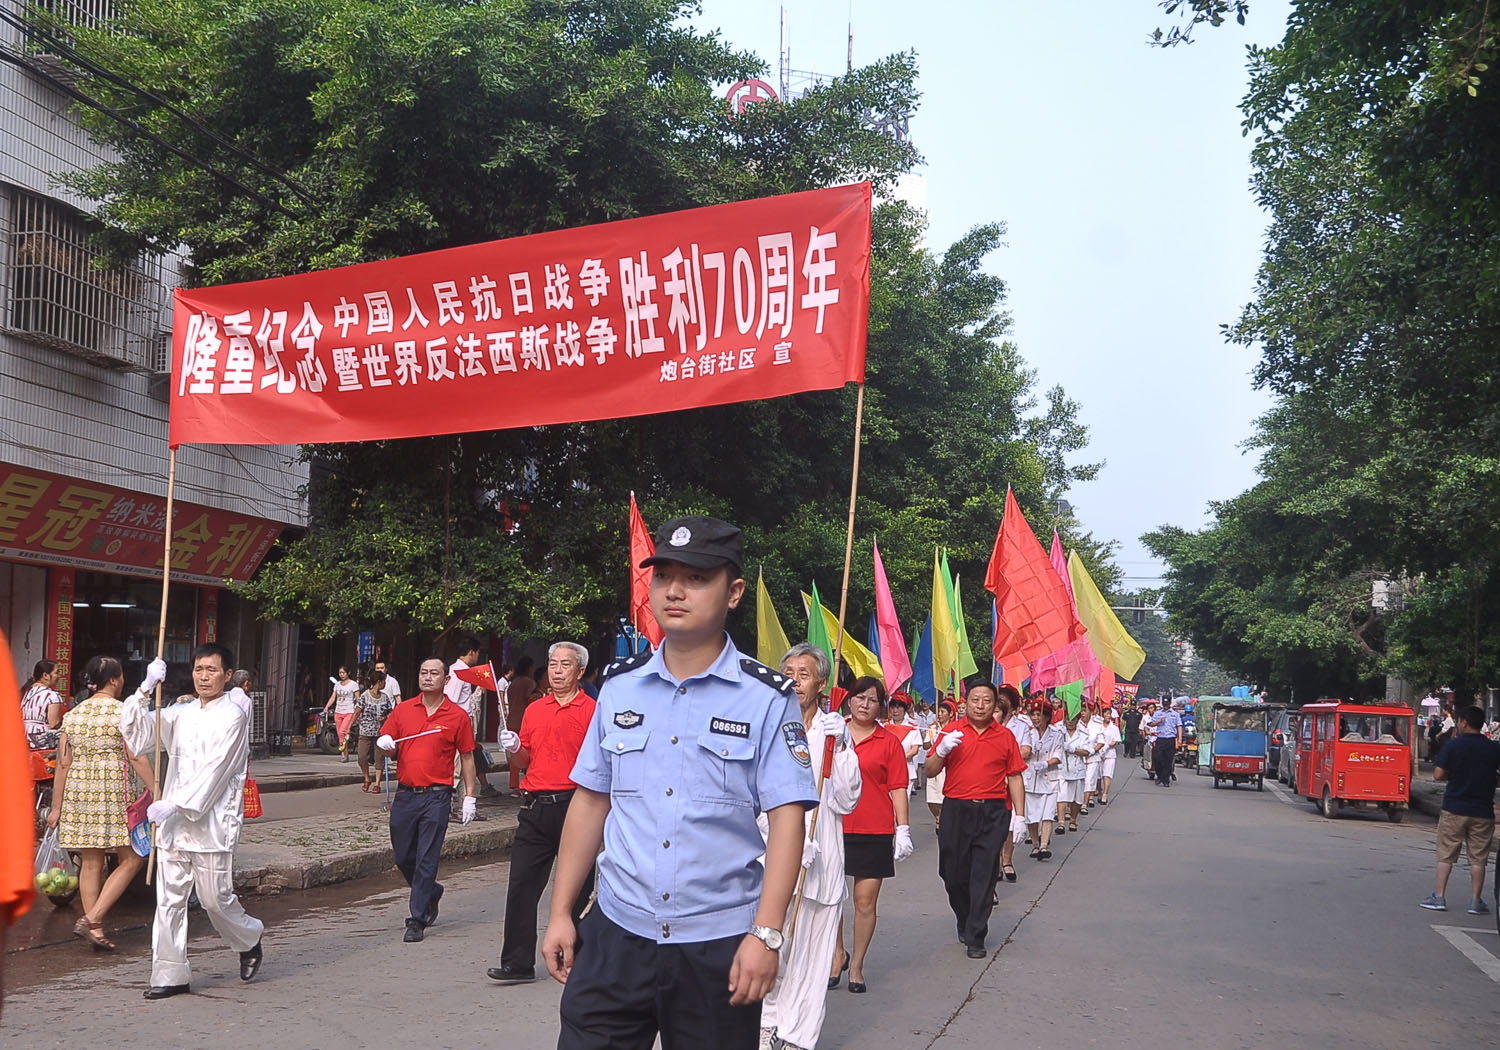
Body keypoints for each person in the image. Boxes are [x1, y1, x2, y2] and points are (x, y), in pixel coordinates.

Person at [541, 515, 816, 1050]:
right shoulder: (619, 689)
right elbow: (591, 802)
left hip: (718, 944)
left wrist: (766, 934)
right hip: (617, 932)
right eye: (664, 575)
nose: (674, 590)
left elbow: (788, 818)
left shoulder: (766, 698)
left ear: (733, 592)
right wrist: (560, 913)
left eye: (695, 578)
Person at [119, 644, 264, 999]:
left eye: (211, 670)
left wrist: (176, 804)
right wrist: (143, 689)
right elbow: (141, 734)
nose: (203, 676)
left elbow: (219, 770)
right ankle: (170, 974)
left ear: (227, 675)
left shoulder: (233, 715)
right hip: (173, 824)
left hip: (211, 820)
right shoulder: (181, 712)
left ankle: (249, 937)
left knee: (215, 899)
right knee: (169, 900)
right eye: (199, 669)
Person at [761, 642, 860, 1050]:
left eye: (803, 673)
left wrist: (839, 753)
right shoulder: (767, 725)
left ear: (822, 682)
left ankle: (798, 1035)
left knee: (811, 957)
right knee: (769, 945)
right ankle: (766, 1025)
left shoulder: (834, 732)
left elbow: (848, 798)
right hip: (768, 854)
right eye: (788, 671)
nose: (794, 680)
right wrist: (774, 839)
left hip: (821, 855)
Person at [487, 641, 597, 985]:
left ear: (579, 671)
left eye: (565, 665)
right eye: (552, 664)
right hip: (535, 807)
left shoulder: (592, 710)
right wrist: (515, 748)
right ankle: (517, 961)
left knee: (578, 888)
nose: (557, 670)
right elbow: (524, 761)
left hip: (574, 807)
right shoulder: (535, 709)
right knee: (520, 885)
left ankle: (574, 958)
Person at [45, 655, 146, 950]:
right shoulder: (122, 712)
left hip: (79, 793)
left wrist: (57, 807)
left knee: (91, 862)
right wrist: (156, 790)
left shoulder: (73, 715)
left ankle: (96, 928)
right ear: (114, 680)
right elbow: (136, 756)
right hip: (112, 792)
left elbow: (63, 764)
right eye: (122, 675)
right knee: (132, 858)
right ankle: (94, 918)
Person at [376, 658, 478, 942]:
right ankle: (430, 890)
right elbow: (388, 743)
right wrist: (384, 745)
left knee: (426, 858)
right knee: (403, 855)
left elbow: (467, 756)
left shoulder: (457, 716)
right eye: (423, 672)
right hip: (406, 794)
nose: (428, 677)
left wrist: (469, 796)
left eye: (434, 673)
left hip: (437, 796)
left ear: (446, 680)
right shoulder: (404, 710)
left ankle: (416, 918)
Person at [925, 680, 1026, 959]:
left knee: (983, 874)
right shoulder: (951, 732)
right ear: (965, 703)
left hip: (992, 811)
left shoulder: (1005, 737)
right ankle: (964, 916)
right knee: (952, 874)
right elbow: (931, 770)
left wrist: (1020, 816)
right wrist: (942, 750)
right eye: (975, 700)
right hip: (956, 809)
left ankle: (977, 934)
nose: (980, 705)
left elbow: (1015, 776)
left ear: (995, 705)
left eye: (986, 701)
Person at [831, 676, 910, 996]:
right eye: (859, 697)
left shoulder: (888, 741)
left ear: (882, 707)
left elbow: (898, 787)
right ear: (848, 700)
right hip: (833, 826)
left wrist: (902, 828)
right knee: (831, 898)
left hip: (874, 828)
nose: (865, 704)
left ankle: (858, 964)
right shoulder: (832, 735)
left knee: (865, 902)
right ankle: (837, 954)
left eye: (873, 700)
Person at [1421, 705, 1500, 914]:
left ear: (1464, 722)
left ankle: (1439, 897)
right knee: (1478, 858)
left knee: (1446, 854)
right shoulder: (1494, 748)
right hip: (1483, 811)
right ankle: (1475, 901)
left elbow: (1438, 775)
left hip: (1454, 808)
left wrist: (1453, 776)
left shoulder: (1453, 746)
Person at [998, 685, 1035, 883]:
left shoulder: (1021, 727)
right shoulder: (985, 724)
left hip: (1013, 781)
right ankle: (993, 863)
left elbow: (1027, 750)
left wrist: (1003, 756)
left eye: (1004, 702)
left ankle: (1007, 860)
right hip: (991, 782)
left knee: (1011, 823)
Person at [1025, 702, 1063, 860]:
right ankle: (1035, 844)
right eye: (1032, 714)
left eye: (1038, 714)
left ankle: (1043, 846)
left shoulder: (1057, 734)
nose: (1035, 718)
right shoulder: (1027, 733)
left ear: (1047, 717)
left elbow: (1058, 756)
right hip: (1030, 778)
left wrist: (1045, 763)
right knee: (1031, 814)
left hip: (1049, 777)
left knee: (1047, 814)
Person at [354, 671, 395, 792]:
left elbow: (391, 712)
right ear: (379, 682)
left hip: (380, 732)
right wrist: (348, 727)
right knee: (362, 757)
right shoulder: (365, 696)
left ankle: (377, 783)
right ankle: (367, 778)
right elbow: (357, 712)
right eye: (383, 681)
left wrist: (386, 717)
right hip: (365, 731)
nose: (384, 684)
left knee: (379, 759)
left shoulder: (384, 697)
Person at [505, 657, 538, 797]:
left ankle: (514, 785)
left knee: (514, 752)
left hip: (512, 719)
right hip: (523, 721)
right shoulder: (529, 683)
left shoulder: (513, 683)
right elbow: (531, 699)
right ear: (529, 668)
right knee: (526, 751)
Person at [926, 700, 956, 830]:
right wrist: (933, 741)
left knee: (943, 796)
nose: (939, 714)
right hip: (933, 763)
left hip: (946, 765)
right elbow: (925, 744)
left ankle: (944, 818)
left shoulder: (955, 729)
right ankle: (937, 816)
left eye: (943, 712)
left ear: (950, 714)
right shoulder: (933, 728)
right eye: (939, 711)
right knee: (931, 797)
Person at [884, 694, 923, 796]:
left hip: (906, 769)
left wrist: (899, 758)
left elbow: (915, 749)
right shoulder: (884, 726)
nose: (895, 711)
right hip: (886, 770)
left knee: (903, 805)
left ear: (905, 709)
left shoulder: (912, 727)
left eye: (898, 707)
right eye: (892, 707)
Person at [1058, 710, 1090, 833]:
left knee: (1076, 799)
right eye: (1067, 719)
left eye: (1073, 720)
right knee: (1061, 796)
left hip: (1077, 769)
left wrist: (1072, 749)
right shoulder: (1060, 732)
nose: (1070, 723)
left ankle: (1073, 820)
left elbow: (1086, 752)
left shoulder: (1082, 734)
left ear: (1077, 721)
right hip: (1063, 768)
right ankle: (1061, 823)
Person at [321, 666, 360, 762]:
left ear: (348, 673)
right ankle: (345, 753)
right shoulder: (337, 684)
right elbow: (333, 697)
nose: (342, 675)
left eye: (343, 672)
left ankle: (343, 753)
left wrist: (359, 711)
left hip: (349, 711)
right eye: (340, 673)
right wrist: (327, 707)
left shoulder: (353, 684)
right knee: (340, 734)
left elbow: (358, 698)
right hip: (338, 711)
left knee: (343, 731)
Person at [21, 659, 63, 735]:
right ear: (45, 675)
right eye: (56, 673)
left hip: (21, 736)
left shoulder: (25, 692)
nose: (59, 676)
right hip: (41, 739)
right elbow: (54, 724)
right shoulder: (52, 696)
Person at [1148, 698, 1183, 787]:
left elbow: (1179, 726)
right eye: (1164, 704)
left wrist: (1179, 739)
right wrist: (1159, 721)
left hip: (1170, 739)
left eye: (1167, 704)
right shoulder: (1158, 713)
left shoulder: (1175, 714)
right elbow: (1151, 724)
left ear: (1170, 704)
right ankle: (1160, 775)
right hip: (1161, 738)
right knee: (1157, 757)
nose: (1166, 706)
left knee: (1168, 760)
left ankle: (1166, 780)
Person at [1097, 707, 1121, 804]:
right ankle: (1099, 790)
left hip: (1110, 754)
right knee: (1098, 775)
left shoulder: (1114, 728)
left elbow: (1116, 741)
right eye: (1105, 714)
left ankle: (1105, 794)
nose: (1107, 716)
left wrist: (1107, 746)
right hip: (1098, 753)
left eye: (1109, 714)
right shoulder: (1098, 727)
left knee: (1107, 774)